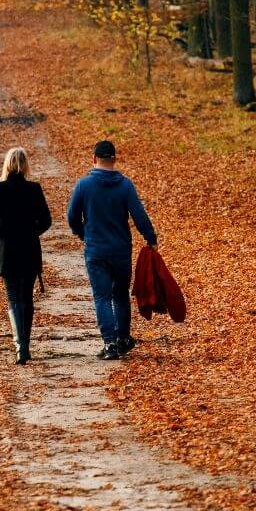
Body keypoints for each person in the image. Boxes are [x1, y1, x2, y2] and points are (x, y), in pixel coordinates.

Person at [67, 140, 157, 360]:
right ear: (114, 159)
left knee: (102, 297)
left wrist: (82, 233)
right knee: (120, 295)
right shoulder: (125, 186)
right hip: (120, 250)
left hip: (96, 250)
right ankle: (123, 338)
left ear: (94, 159)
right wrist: (150, 238)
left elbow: (72, 216)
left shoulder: (84, 185)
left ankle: (109, 344)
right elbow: (139, 215)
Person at [0, 147, 52, 365]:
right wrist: (33, 232)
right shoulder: (34, 189)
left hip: (8, 250)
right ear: (25, 165)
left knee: (13, 297)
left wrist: (0, 237)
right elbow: (47, 220)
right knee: (27, 297)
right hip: (30, 249)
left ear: (7, 164)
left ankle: (20, 346)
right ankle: (26, 345)